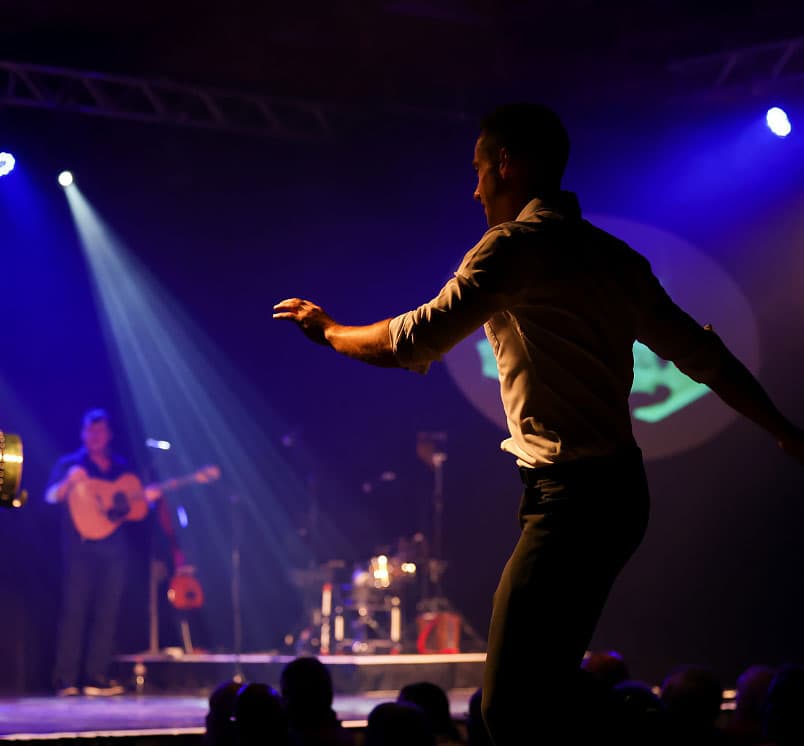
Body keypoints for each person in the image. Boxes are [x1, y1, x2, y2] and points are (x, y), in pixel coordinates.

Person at [273, 102, 804, 745]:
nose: (474, 189)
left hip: (572, 500)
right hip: (620, 497)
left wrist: (327, 331)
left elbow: (412, 340)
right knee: (543, 694)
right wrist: (781, 426)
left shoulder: (512, 248)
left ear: (507, 165)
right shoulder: (613, 256)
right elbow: (703, 355)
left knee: (507, 709)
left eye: (479, 170)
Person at [45, 408, 160, 696]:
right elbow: (49, 496)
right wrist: (68, 482)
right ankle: (65, 679)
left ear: (108, 435)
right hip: (79, 546)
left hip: (113, 547)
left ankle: (97, 676)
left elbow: (135, 508)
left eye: (101, 431)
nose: (95, 436)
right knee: (75, 610)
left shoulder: (121, 467)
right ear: (83, 433)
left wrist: (148, 499)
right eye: (90, 431)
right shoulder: (70, 462)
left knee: (107, 612)